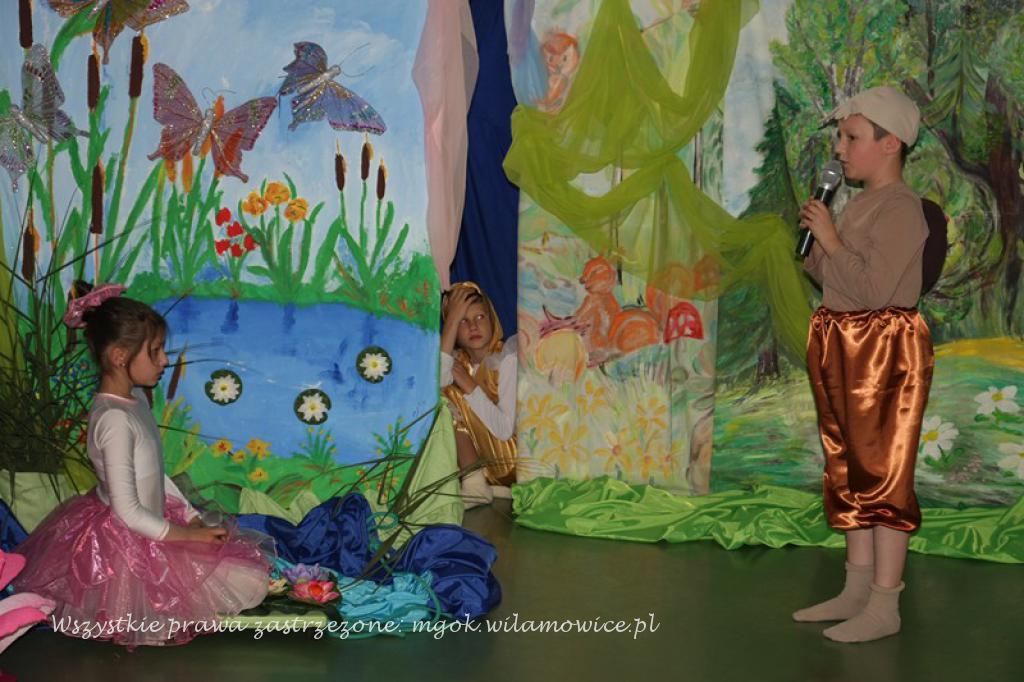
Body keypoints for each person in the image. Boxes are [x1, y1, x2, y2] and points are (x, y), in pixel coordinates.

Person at [13, 284, 271, 647]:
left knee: (252, 582)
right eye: (155, 351)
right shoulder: (114, 420)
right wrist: (188, 537)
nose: (164, 360)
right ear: (119, 356)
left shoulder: (135, 399)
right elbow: (128, 512)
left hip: (155, 522)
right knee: (156, 619)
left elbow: (153, 473)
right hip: (125, 543)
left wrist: (191, 517)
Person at [795, 86, 932, 643]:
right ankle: (856, 588)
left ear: (890, 143)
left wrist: (831, 240)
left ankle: (884, 603)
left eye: (851, 137)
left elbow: (875, 291)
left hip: (882, 350)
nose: (840, 148)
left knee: (882, 473)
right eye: (840, 137)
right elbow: (841, 281)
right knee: (847, 469)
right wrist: (817, 247)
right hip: (842, 340)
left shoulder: (902, 208)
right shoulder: (856, 205)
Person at [440, 282, 517, 508]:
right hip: (487, 467)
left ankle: (475, 485)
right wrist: (451, 319)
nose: (473, 326)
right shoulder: (459, 362)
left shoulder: (507, 359)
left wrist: (469, 385)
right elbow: (437, 380)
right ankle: (477, 482)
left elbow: (505, 431)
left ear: (492, 319)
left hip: (511, 460)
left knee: (449, 396)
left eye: (480, 317)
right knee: (439, 394)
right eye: (462, 321)